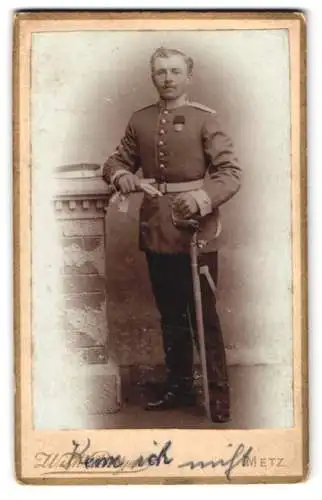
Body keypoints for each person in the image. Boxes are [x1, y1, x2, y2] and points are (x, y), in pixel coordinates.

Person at [102, 47, 241, 423]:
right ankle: (180, 387)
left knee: (203, 316)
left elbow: (229, 173)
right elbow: (115, 161)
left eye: (175, 71)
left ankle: (218, 395)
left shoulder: (204, 120)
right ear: (153, 76)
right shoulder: (140, 120)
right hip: (156, 229)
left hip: (198, 229)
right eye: (160, 71)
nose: (167, 78)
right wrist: (123, 176)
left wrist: (202, 198)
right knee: (171, 316)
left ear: (188, 76)